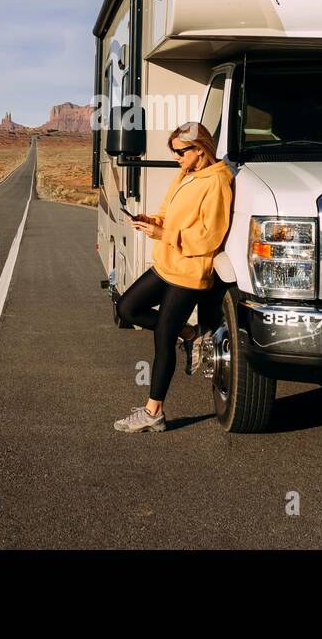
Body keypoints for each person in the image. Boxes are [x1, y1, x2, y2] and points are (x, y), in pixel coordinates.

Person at [112, 121, 234, 433]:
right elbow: (167, 213)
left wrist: (163, 233)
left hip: (190, 272)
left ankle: (154, 411)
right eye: (174, 151)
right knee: (127, 308)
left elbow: (211, 237)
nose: (176, 156)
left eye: (180, 151)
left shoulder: (218, 181)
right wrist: (150, 220)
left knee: (162, 337)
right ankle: (190, 334)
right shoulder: (186, 174)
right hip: (167, 263)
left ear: (200, 150)